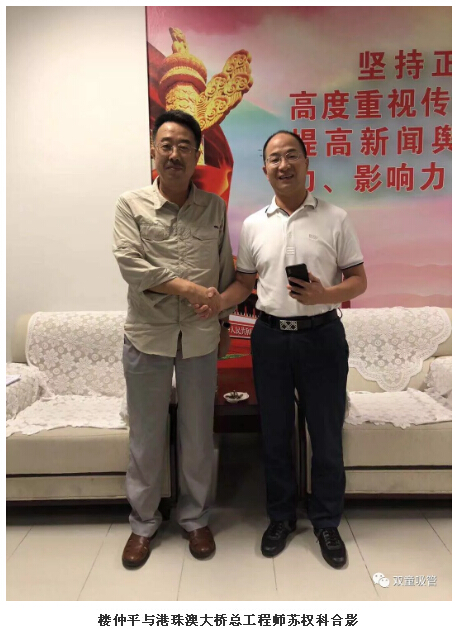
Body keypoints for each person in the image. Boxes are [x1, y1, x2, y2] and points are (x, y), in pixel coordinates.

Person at [196, 130, 367, 568]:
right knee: (274, 433)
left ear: (307, 163)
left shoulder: (336, 218)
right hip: (270, 337)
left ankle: (326, 522)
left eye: (291, 156)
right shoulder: (254, 224)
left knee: (325, 435)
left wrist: (325, 294)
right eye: (274, 158)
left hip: (322, 336)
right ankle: (281, 518)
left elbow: (358, 281)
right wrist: (218, 302)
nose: (283, 165)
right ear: (265, 169)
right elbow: (244, 285)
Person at [113, 109, 234, 568]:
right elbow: (131, 265)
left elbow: (223, 272)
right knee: (146, 436)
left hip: (200, 339)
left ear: (197, 154)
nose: (175, 154)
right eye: (166, 144)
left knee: (198, 435)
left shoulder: (214, 207)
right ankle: (143, 523)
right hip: (147, 336)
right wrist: (188, 289)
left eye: (185, 146)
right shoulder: (131, 205)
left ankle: (195, 518)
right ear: (153, 150)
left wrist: (223, 321)